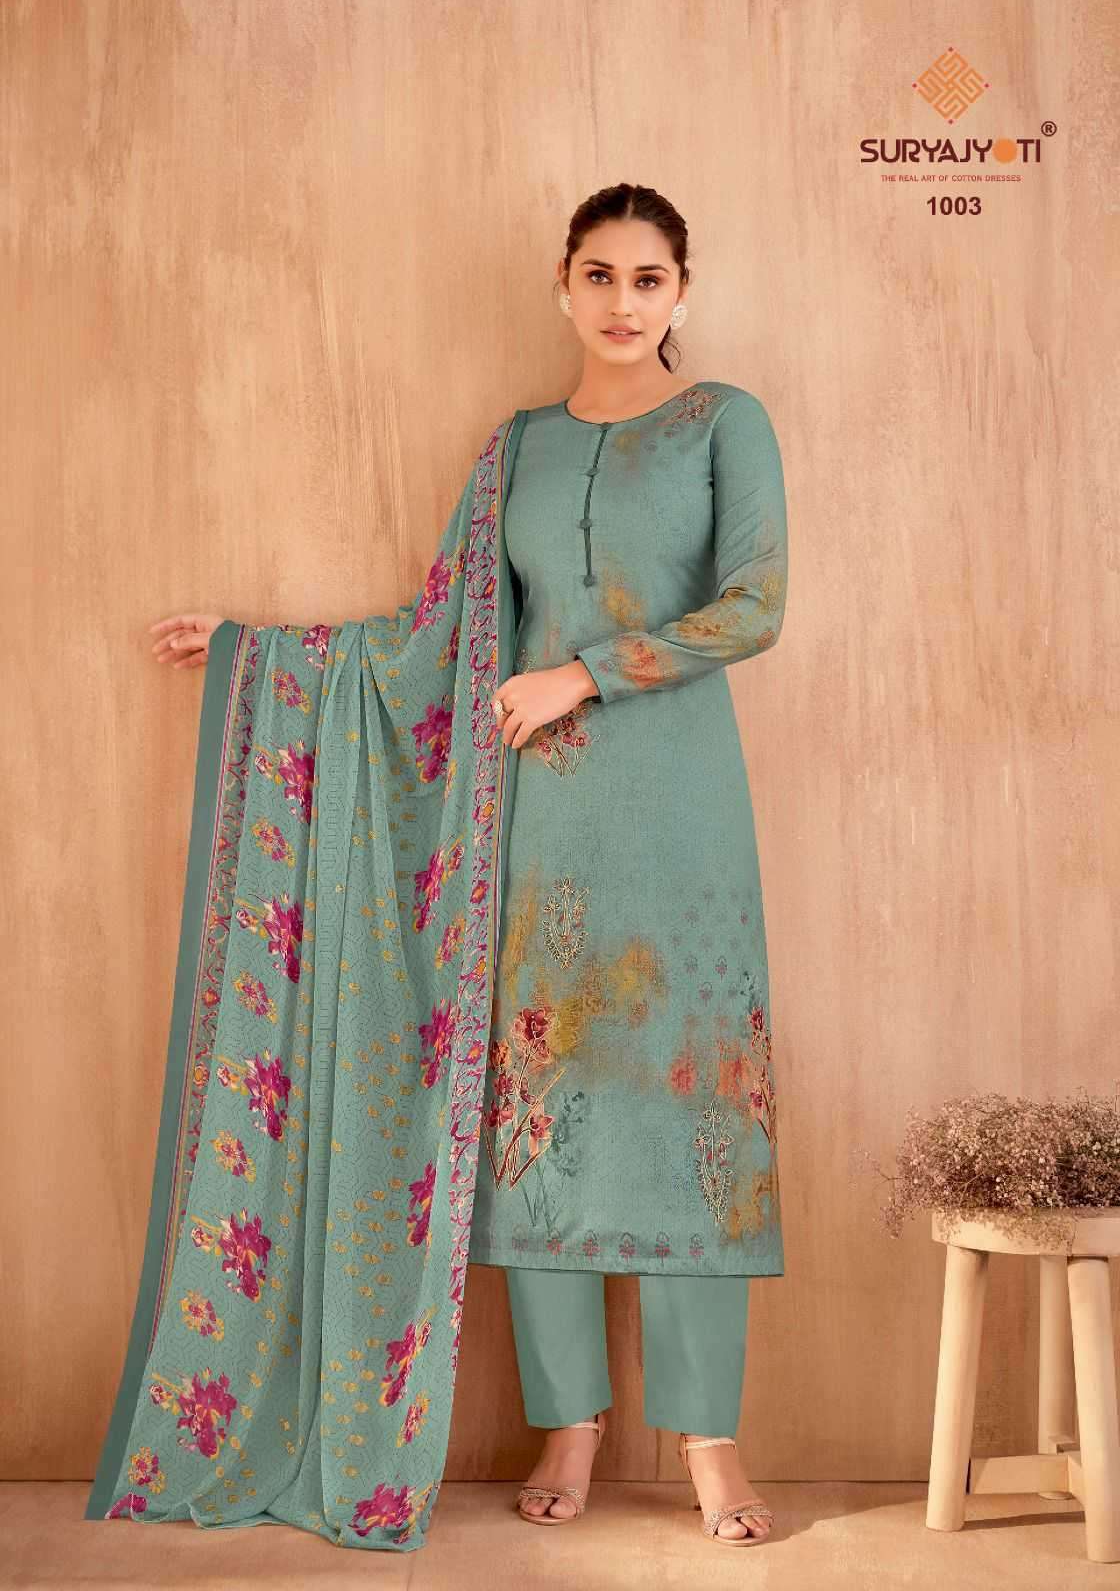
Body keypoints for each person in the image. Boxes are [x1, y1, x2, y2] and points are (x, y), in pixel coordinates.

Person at [96, 182, 788, 1552]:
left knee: (698, 1117)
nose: (623, 301)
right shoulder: (518, 448)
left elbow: (757, 604)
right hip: (536, 831)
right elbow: (441, 640)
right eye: (600, 275)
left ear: (682, 292)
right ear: (563, 283)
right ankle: (569, 1425)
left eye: (649, 279)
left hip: (684, 818)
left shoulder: (725, 423)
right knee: (538, 1115)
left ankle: (710, 1441)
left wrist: (582, 674)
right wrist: (256, 648)